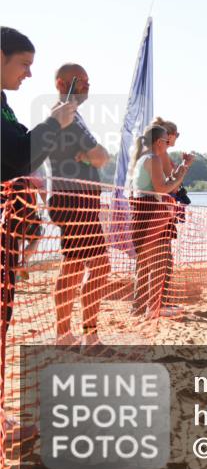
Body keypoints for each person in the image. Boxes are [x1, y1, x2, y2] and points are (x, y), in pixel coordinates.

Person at [0, 27, 75, 445]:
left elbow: (17, 154)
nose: (30, 74)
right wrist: (55, 122)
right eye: (24, 64)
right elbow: (15, 156)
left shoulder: (4, 104)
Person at [46, 63, 112, 346]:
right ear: (62, 82)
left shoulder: (74, 115)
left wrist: (91, 157)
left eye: (88, 80)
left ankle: (71, 334)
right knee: (96, 264)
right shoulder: (65, 115)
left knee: (76, 265)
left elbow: (101, 156)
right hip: (73, 199)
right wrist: (91, 157)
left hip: (79, 200)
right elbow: (99, 155)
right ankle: (83, 335)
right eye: (80, 80)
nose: (87, 85)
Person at [128, 124, 191, 319]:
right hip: (151, 216)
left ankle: (139, 308)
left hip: (142, 215)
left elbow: (162, 186)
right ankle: (153, 308)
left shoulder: (143, 159)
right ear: (158, 142)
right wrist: (180, 175)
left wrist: (182, 168)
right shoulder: (153, 159)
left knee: (145, 264)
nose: (169, 143)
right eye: (166, 140)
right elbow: (162, 188)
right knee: (160, 263)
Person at [151, 117, 194, 316]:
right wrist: (185, 167)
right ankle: (160, 303)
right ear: (168, 136)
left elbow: (172, 182)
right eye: (177, 134)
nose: (177, 138)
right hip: (160, 212)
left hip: (160, 210)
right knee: (163, 260)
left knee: (159, 260)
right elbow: (172, 184)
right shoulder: (161, 156)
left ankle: (157, 303)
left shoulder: (158, 155)